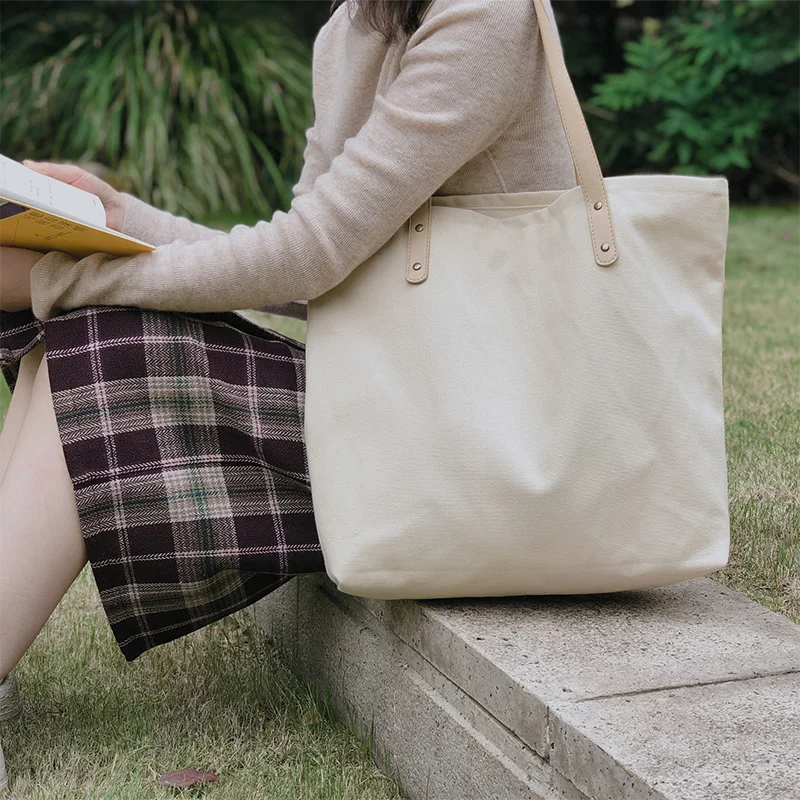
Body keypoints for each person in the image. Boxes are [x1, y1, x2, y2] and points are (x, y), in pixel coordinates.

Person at [0, 0, 574, 788]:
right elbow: (312, 264)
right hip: (402, 389)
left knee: (99, 331)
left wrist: (65, 276)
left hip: (498, 431)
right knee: (75, 330)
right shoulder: (352, 28)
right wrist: (114, 215)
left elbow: (310, 256)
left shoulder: (484, 14)